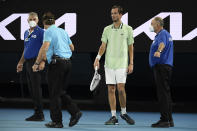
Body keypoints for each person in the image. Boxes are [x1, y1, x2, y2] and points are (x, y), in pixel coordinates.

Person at [32, 12, 82, 128]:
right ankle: (75, 112)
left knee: (55, 94)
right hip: (68, 63)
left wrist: (36, 63)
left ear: (44, 23)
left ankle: (57, 121)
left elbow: (44, 48)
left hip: (57, 65)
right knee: (60, 92)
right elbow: (72, 47)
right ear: (54, 21)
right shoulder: (62, 31)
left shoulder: (48, 31)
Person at [94, 5, 135, 125]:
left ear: (121, 15)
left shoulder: (128, 29)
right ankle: (113, 117)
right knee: (111, 89)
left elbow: (130, 47)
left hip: (122, 64)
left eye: (115, 13)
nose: (113, 15)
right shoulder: (107, 29)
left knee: (121, 89)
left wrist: (131, 62)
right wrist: (97, 58)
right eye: (112, 13)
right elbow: (103, 46)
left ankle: (123, 112)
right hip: (109, 64)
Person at [16, 12, 45, 121]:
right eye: (30, 19)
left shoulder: (41, 32)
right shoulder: (25, 33)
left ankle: (40, 114)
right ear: (27, 21)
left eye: (34, 19)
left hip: (36, 62)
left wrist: (42, 62)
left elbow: (45, 47)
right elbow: (26, 49)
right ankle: (37, 111)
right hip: (28, 62)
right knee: (31, 89)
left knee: (36, 88)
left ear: (38, 20)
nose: (32, 20)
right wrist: (20, 62)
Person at [149, 17, 174, 128]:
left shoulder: (162, 34)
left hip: (161, 67)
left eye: (152, 24)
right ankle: (169, 120)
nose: (151, 26)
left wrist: (159, 51)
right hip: (165, 67)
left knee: (163, 94)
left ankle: (164, 120)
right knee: (166, 94)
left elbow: (162, 44)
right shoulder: (164, 34)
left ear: (158, 25)